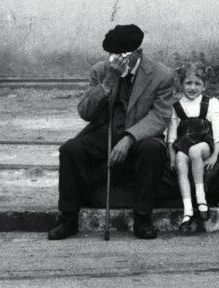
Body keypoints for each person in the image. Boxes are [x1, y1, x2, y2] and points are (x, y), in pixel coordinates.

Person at [47, 24, 174, 240]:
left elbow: (160, 116)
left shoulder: (161, 75)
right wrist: (108, 83)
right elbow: (85, 112)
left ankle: (143, 217)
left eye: (121, 55)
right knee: (70, 149)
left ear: (137, 53)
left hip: (140, 136)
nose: (115, 60)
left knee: (152, 150)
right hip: (104, 133)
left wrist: (130, 138)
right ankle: (68, 218)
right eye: (112, 55)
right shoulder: (101, 70)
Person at [167, 62, 219, 233]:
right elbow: (172, 136)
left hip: (205, 144)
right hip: (185, 143)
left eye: (197, 84)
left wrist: (214, 155)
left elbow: (218, 132)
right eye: (188, 83)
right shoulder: (177, 107)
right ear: (181, 84)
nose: (192, 87)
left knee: (194, 150)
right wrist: (172, 155)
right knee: (180, 159)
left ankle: (201, 199)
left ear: (204, 86)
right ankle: (188, 210)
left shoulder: (210, 103)